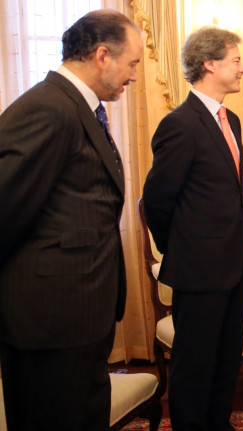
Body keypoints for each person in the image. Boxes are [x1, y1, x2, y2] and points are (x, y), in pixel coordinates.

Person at [0, 9, 141, 430]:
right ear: (103, 56)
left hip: (79, 317)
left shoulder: (76, 106)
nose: (134, 76)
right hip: (49, 324)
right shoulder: (48, 108)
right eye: (132, 63)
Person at [142, 27, 243, 431]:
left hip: (235, 264)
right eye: (236, 60)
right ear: (210, 64)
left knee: (226, 357)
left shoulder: (230, 120)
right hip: (198, 268)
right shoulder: (180, 124)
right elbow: (158, 200)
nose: (242, 68)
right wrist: (183, 249)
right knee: (194, 362)